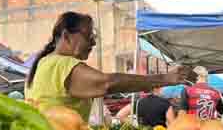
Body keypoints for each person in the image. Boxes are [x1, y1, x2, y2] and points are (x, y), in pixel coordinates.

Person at [25, 12, 195, 122]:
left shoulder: (43, 63)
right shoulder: (61, 65)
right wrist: (164, 78)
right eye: (88, 35)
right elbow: (107, 83)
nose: (92, 42)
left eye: (94, 37)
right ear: (66, 36)